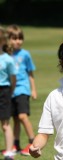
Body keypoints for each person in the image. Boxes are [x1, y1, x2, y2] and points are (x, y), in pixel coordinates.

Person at [6, 24, 37, 156]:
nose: (17, 41)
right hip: (10, 91)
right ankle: (16, 144)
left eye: (20, 38)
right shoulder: (5, 55)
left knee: (23, 116)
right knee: (15, 119)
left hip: (23, 89)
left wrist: (33, 89)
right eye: (14, 38)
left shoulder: (25, 54)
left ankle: (33, 143)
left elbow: (30, 73)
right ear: (8, 39)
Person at [0, 26, 16, 160]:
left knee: (5, 123)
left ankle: (9, 152)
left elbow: (13, 79)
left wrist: (10, 92)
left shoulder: (8, 59)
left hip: (3, 91)